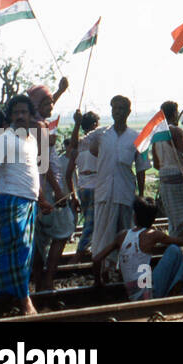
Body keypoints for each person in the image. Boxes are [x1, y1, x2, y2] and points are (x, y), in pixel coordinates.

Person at [0, 94, 63, 315]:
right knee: (17, 248)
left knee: (23, 251)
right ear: (10, 116)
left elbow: (31, 174)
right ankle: (24, 300)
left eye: (24, 112)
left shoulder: (29, 140)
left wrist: (42, 199)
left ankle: (4, 296)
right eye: (16, 112)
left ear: (30, 116)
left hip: (28, 202)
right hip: (10, 200)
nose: (20, 116)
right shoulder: (4, 139)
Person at [87, 95, 149, 277]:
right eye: (114, 108)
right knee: (102, 235)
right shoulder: (102, 134)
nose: (117, 112)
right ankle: (102, 274)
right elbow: (92, 150)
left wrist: (141, 194)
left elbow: (141, 168)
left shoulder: (137, 137)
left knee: (126, 234)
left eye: (121, 108)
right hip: (104, 192)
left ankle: (124, 272)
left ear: (129, 112)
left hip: (125, 193)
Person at [93, 198, 183, 301]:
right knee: (174, 250)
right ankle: (182, 289)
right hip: (149, 294)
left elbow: (96, 259)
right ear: (153, 219)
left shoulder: (122, 235)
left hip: (132, 294)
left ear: (134, 217)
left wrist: (98, 283)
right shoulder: (152, 235)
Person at [151, 101, 183, 267]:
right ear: (174, 114)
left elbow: (156, 164)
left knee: (176, 219)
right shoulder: (175, 131)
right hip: (180, 178)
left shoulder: (157, 133)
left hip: (165, 179)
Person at [33, 133, 77, 291]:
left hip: (38, 194)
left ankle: (39, 282)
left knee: (40, 240)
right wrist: (58, 190)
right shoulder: (40, 129)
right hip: (50, 195)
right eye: (46, 105)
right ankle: (48, 279)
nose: (50, 106)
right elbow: (43, 164)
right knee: (64, 231)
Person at [73, 111, 99, 260]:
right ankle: (80, 252)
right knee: (92, 223)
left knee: (90, 220)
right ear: (95, 125)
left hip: (82, 186)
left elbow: (72, 145)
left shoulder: (80, 142)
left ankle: (88, 249)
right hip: (95, 186)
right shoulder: (97, 141)